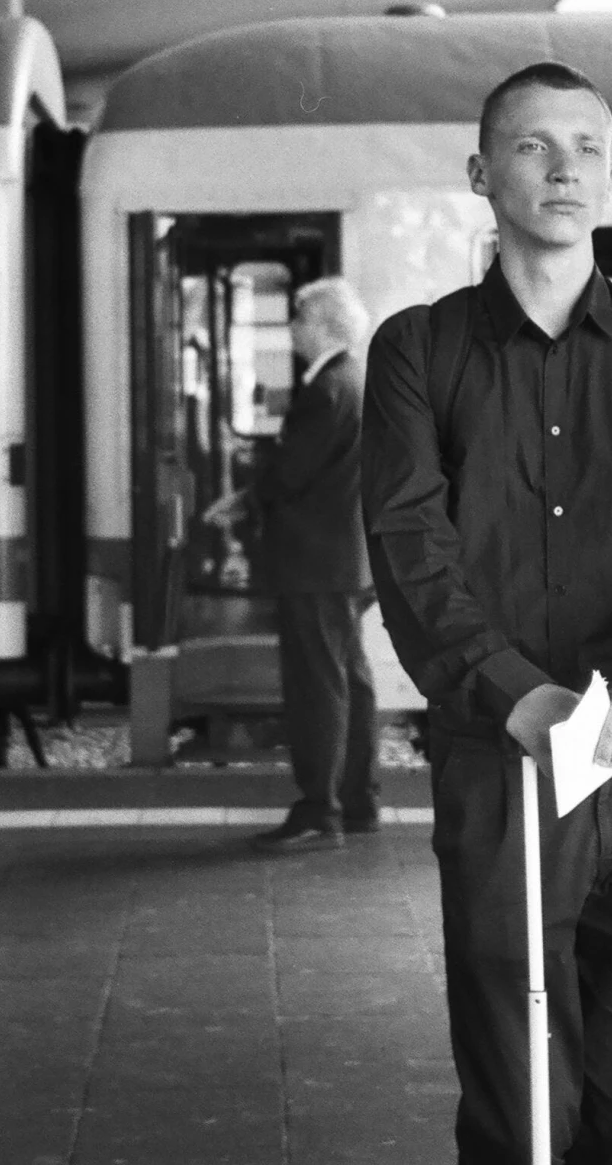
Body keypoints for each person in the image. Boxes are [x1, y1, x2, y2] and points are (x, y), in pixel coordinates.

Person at [361, 61, 612, 1165]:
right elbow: (409, 546)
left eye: (586, 147)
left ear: (610, 170)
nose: (563, 169)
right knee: (510, 1052)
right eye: (534, 146)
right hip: (501, 744)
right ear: (480, 172)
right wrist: (510, 693)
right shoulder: (418, 350)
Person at [207, 276, 382, 853]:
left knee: (317, 686)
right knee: (350, 680)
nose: (293, 327)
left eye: (300, 317)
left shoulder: (326, 388)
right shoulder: (355, 380)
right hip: (345, 561)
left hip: (315, 563)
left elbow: (291, 472)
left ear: (325, 326)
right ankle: (357, 801)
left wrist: (243, 500)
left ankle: (318, 810)